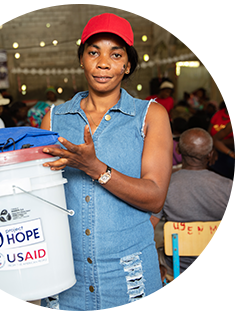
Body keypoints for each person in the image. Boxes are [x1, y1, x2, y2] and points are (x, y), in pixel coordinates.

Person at [40, 13, 173, 312]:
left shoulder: (150, 116)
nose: (103, 63)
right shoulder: (54, 118)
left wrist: (94, 167)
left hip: (130, 275)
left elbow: (154, 198)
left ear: (127, 65)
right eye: (93, 52)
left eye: (115, 54)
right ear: (82, 60)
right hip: (65, 274)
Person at [151, 128, 236, 301]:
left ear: (178, 150)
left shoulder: (165, 185)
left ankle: (183, 288)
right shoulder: (228, 186)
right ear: (211, 154)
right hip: (218, 268)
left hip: (177, 269)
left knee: (159, 242)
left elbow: (148, 225)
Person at [208, 87, 236, 180]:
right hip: (221, 153)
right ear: (227, 99)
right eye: (235, 98)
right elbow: (212, 138)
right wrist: (230, 153)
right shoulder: (218, 115)